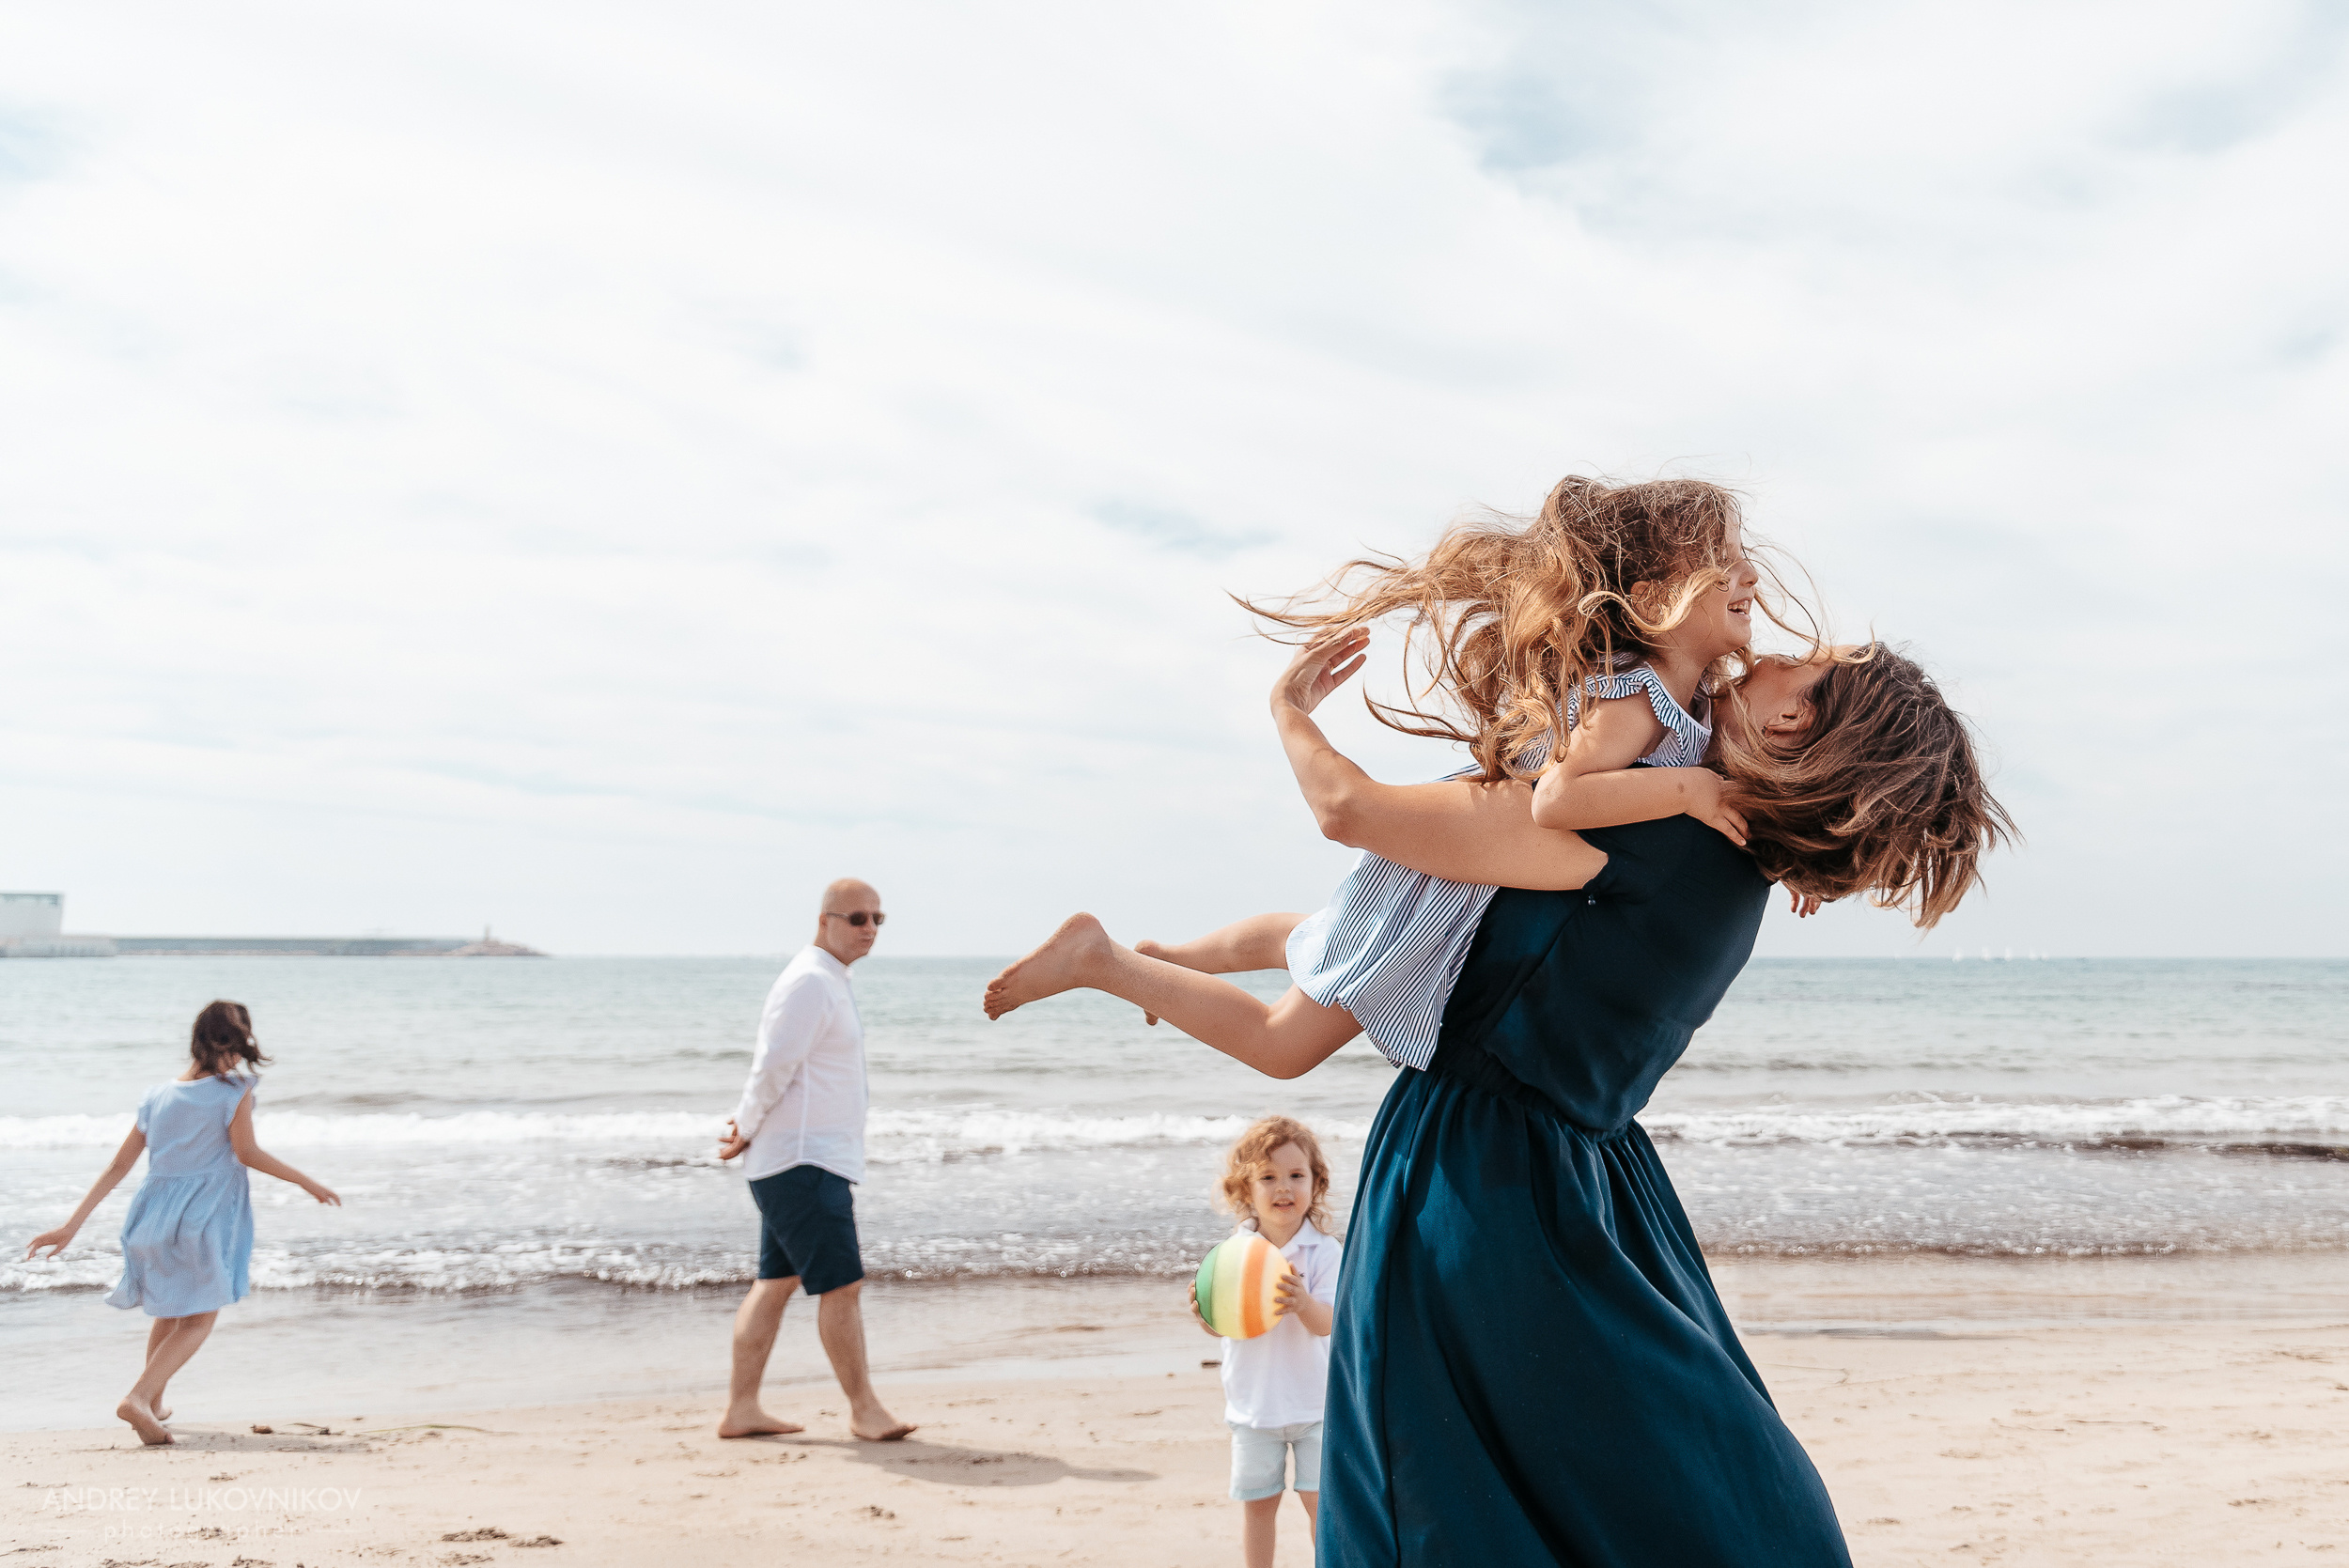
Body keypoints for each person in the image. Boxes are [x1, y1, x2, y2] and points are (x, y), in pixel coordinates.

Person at [985, 492, 2013, 1562]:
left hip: (1479, 1178)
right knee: (1661, 1485)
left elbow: (1352, 812)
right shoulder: (1734, 863)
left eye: (1802, 669)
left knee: (1443, 1498)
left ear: (1797, 724)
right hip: (1600, 1189)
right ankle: (1138, 961)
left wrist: (1289, 711)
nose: (1769, 651)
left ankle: (1128, 961)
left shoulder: (1651, 824)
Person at [992, 475, 1806, 1058]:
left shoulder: (1691, 692)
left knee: (1320, 937)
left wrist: (1791, 849)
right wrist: (1695, 791)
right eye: (1724, 560)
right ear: (1658, 587)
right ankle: (1105, 961)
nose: (1751, 576)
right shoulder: (1641, 695)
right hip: (1465, 868)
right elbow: (1561, 797)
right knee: (1287, 1043)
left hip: (1478, 870)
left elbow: (1718, 781)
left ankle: (1174, 959)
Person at [23, 1001, 341, 1447]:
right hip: (201, 1217)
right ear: (238, 1041)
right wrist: (307, 1181)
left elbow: (118, 1167)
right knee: (198, 1319)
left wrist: (70, 1225)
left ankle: (152, 1403)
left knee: (171, 1312)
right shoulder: (235, 1090)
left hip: (149, 1217)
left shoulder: (156, 1095)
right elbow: (246, 1153)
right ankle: (137, 1397)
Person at [714, 877, 914, 1443]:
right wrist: (744, 1129)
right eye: (857, 918)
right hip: (803, 1163)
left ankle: (742, 1410)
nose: (870, 929)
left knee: (776, 1282)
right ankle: (865, 1410)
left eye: (878, 918)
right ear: (825, 920)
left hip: (805, 1160)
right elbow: (772, 1066)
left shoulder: (830, 979)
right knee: (841, 1285)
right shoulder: (809, 981)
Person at [1187, 1115, 1341, 1568]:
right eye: (1268, 1178)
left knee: (1321, 1507)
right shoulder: (1234, 1254)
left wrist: (1303, 1303)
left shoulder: (1325, 1251)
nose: (1283, 1188)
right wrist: (1205, 1317)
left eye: (1297, 1175)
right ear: (1244, 1190)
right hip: (1254, 1408)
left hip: (1315, 1406)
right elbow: (1224, 1325)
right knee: (1258, 1507)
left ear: (1316, 1184)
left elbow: (1330, 1322)